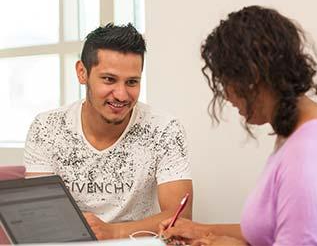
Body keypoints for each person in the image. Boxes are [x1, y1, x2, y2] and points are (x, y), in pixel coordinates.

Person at [159, 5, 317, 246]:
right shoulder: (303, 130)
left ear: (251, 77)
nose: (226, 97)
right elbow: (273, 230)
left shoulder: (307, 155)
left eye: (225, 82)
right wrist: (202, 230)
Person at [23, 23, 193, 240]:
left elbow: (181, 217)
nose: (122, 95)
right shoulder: (46, 127)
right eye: (109, 80)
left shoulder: (164, 129)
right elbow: (41, 215)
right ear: (82, 73)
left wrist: (114, 232)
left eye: (132, 82)